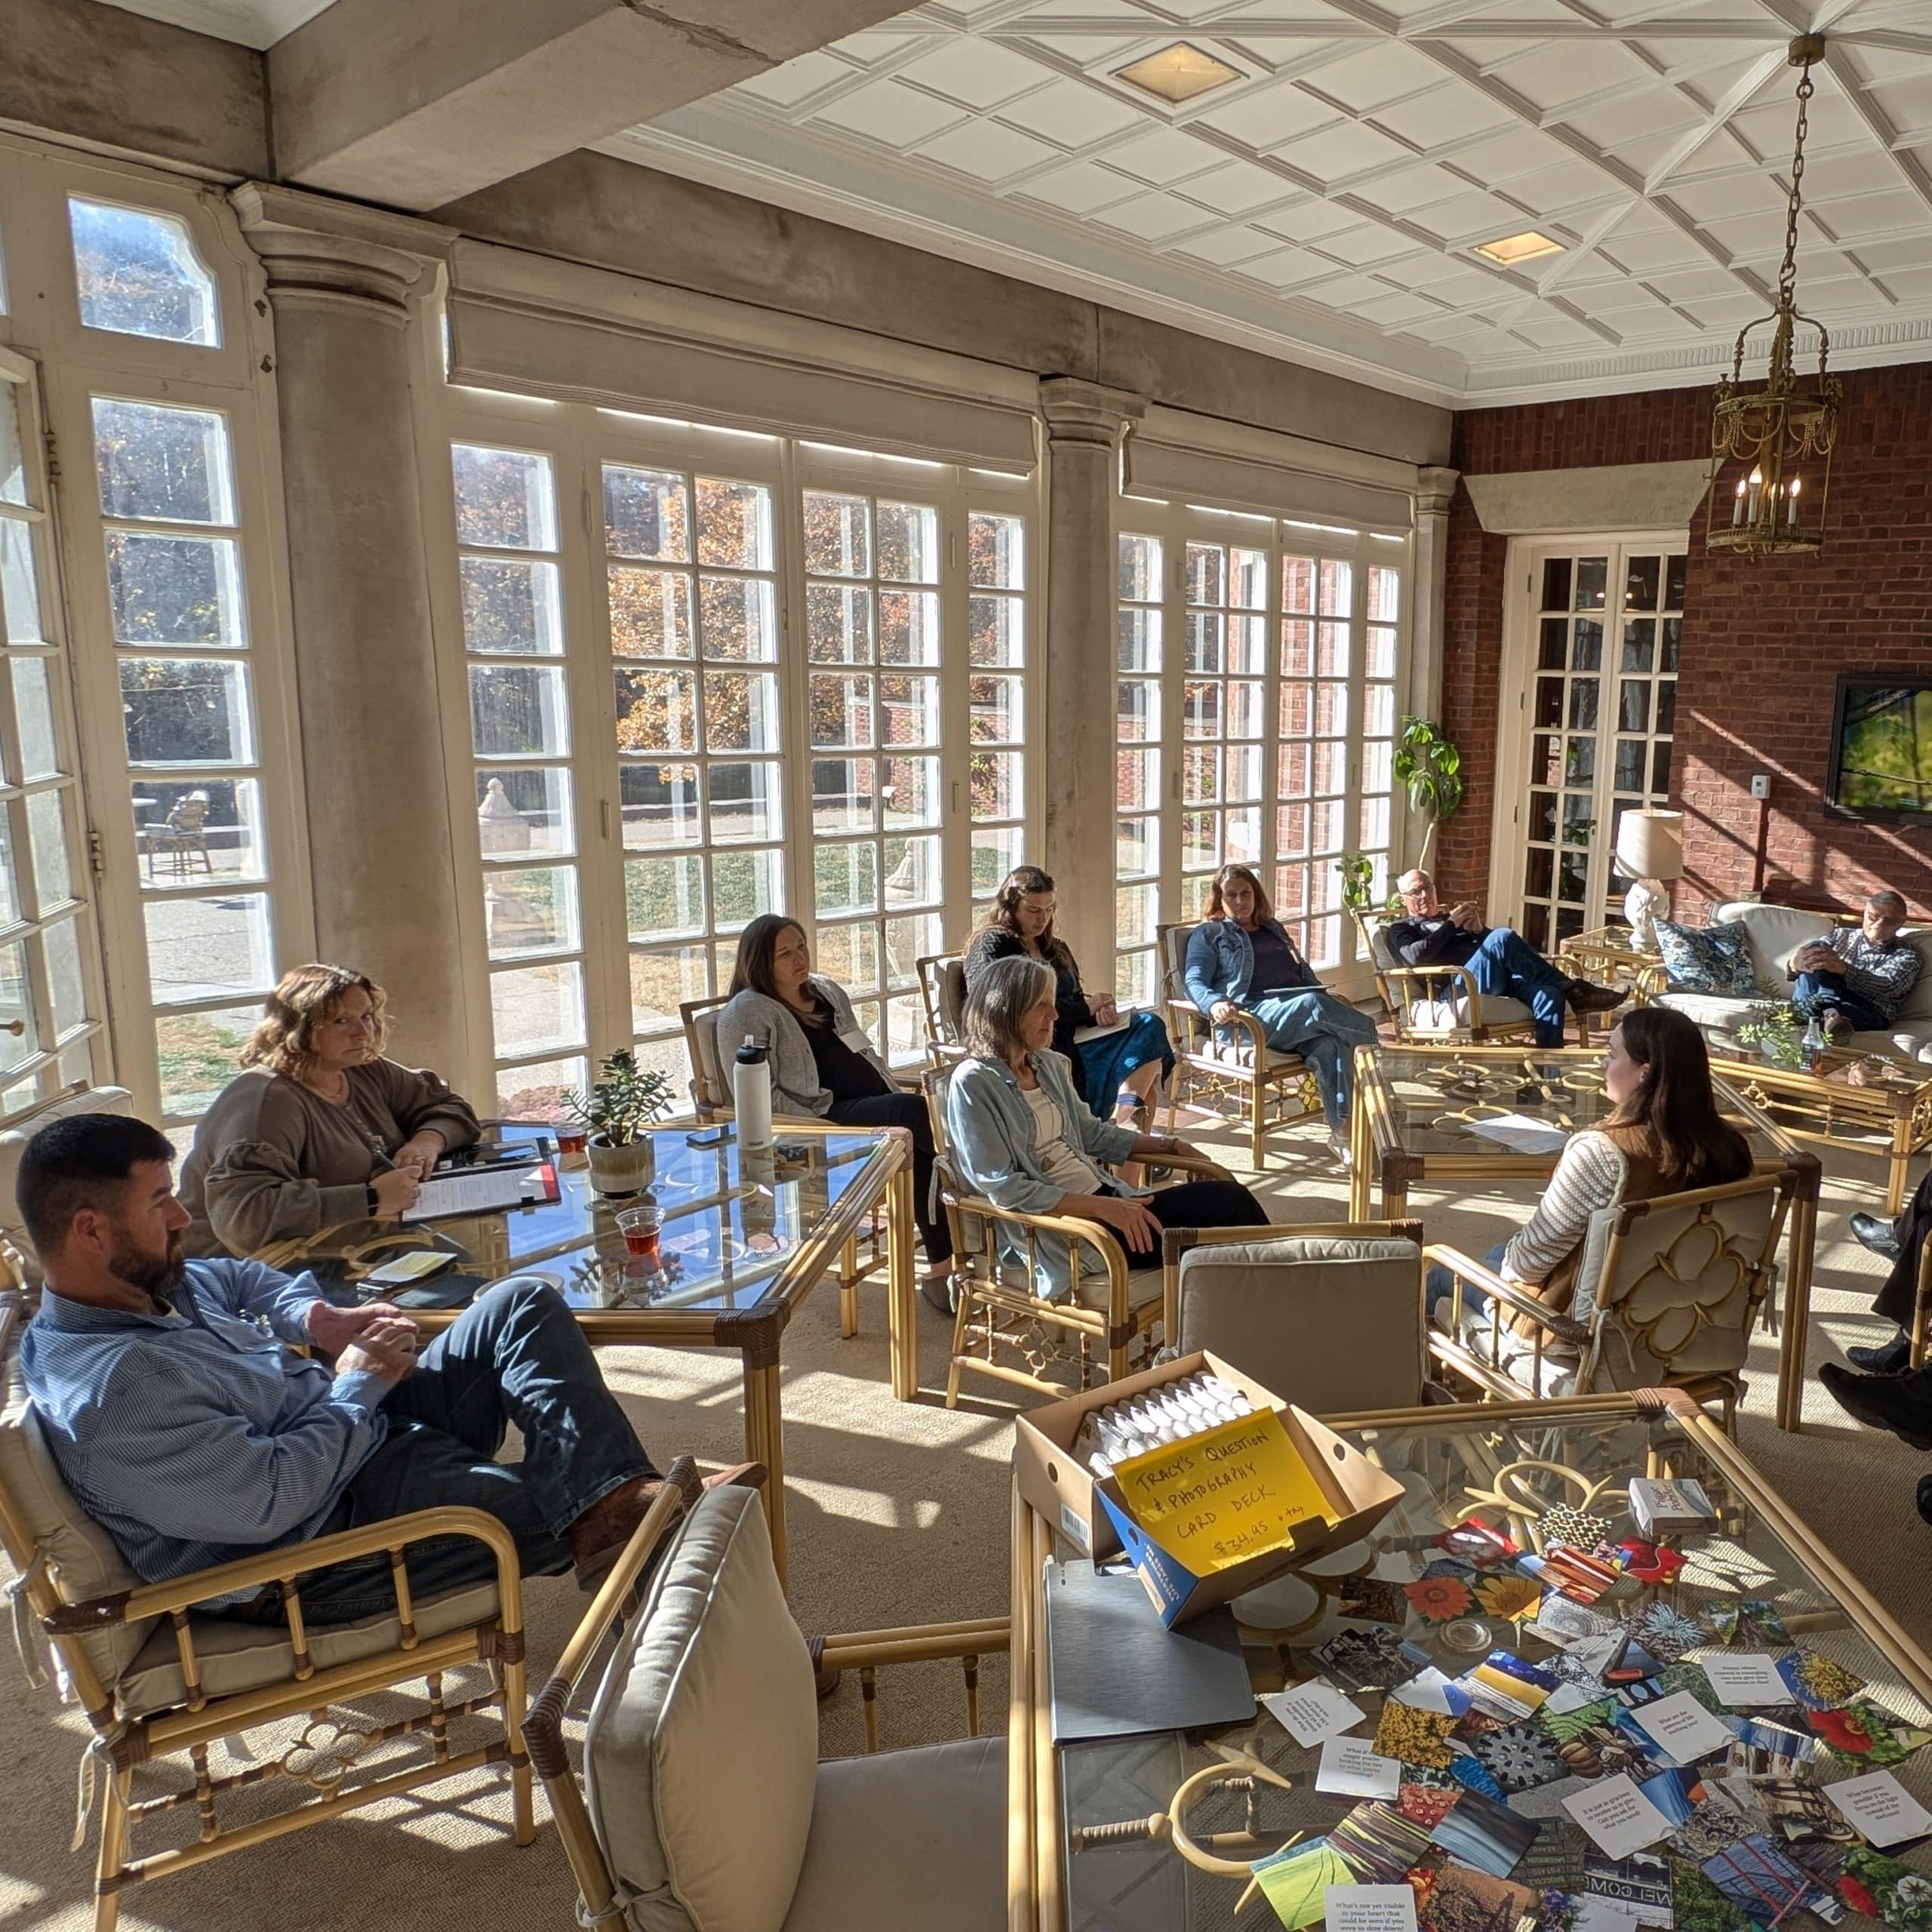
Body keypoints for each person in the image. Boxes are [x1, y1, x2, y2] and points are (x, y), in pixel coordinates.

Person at [18, 1113, 695, 1620]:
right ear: (90, 1230)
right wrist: (359, 1383)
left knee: (521, 1302)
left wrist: (317, 1320)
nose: (180, 1215)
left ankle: (617, 1504)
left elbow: (242, 1279)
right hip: (317, 1546)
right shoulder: (118, 1389)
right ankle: (631, 1520)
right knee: (606, 1506)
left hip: (351, 1435)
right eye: (159, 1200)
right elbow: (270, 1502)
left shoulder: (146, 1282)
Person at [1428, 1007, 1755, 1353]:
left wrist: (1513, 1266)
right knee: (1500, 1251)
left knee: (1440, 1270)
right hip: (1682, 1327)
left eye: (1612, 1055)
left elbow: (1528, 1264)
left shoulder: (1601, 1152)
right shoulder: (1731, 1149)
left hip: (1576, 1331)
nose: (1602, 1063)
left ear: (1645, 1072)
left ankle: (1428, 1382)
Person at [945, 955, 1268, 1302]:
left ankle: (1258, 1306)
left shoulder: (1047, 1064)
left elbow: (1093, 1135)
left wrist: (1172, 1146)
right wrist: (1102, 1208)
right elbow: (1004, 1187)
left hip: (1111, 1201)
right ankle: (1279, 1300)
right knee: (1231, 1211)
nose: (1054, 1016)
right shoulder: (973, 1083)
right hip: (1069, 1232)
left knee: (1229, 1204)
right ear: (1007, 1010)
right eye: (1042, 1006)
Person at [716, 914, 954, 1310]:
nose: (800, 958)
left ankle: (941, 1271)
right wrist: (821, 1126)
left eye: (802, 946)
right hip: (823, 1122)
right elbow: (758, 1099)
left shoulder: (825, 990)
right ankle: (984, 1196)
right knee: (916, 1115)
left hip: (872, 1107)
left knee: (925, 1139)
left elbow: (862, 1050)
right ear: (760, 962)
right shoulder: (747, 1012)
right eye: (785, 954)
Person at [178, 963, 481, 1257]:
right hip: (259, 1270)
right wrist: (371, 1198)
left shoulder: (361, 1068)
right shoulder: (267, 1102)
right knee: (460, 1273)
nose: (362, 1033)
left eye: (366, 1016)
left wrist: (427, 1141)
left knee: (464, 1261)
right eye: (341, 1021)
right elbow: (244, 1219)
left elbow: (449, 1106)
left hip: (358, 1243)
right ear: (298, 1028)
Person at [1183, 863, 1379, 1166]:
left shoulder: (1273, 928)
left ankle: (1343, 1134)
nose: (1240, 901)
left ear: (1256, 895)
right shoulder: (1210, 933)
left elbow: (1302, 973)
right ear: (1219, 899)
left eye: (1246, 893)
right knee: (1313, 1005)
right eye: (1231, 895)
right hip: (1247, 1019)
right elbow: (1193, 980)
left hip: (1293, 1013)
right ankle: (1382, 1055)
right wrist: (1213, 1003)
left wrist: (1323, 994)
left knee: (1330, 1046)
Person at [962, 866, 1174, 1131]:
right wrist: (1085, 1008)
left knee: (1149, 1024)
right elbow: (1000, 1005)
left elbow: (1075, 1000)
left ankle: (1127, 1114)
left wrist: (1098, 1011)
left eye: (1049, 909)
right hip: (1036, 1046)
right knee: (1147, 1093)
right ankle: (1125, 1124)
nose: (1043, 918)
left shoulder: (1056, 948)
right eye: (1033, 910)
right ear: (1011, 908)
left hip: (1076, 1037)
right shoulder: (993, 945)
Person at [1386, 869, 1625, 1050]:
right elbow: (1414, 957)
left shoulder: (1451, 918)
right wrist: (1450, 925)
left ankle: (1548, 1075)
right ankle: (1575, 990)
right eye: (1416, 892)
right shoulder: (1402, 928)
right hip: (1457, 987)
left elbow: (1499, 950)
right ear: (1403, 900)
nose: (1425, 895)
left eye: (1428, 888)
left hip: (1496, 979)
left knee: (1549, 995)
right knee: (1503, 936)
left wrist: (1479, 931)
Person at [1788, 891, 1921, 1043]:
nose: (1879, 925)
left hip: (1868, 1009)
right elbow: (1807, 962)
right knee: (1816, 951)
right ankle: (1829, 1014)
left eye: (1889, 921)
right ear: (1865, 912)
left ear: (1901, 923)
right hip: (1827, 1003)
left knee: (1818, 974)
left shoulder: (1907, 955)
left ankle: (1805, 1014)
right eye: (1873, 917)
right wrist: (1794, 964)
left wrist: (1844, 970)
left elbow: (1888, 987)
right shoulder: (1839, 935)